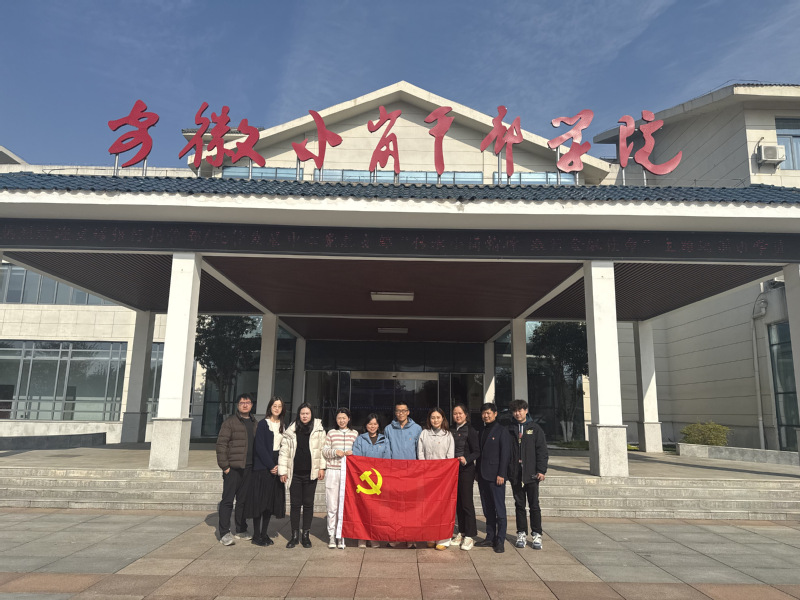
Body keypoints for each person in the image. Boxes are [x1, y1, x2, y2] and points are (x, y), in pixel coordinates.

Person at [279, 403, 326, 549]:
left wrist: (322, 468)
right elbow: (284, 451)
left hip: (310, 473)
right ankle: (294, 536)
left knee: (308, 504)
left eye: (307, 413)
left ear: (311, 414)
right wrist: (283, 471)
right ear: (298, 415)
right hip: (295, 473)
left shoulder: (318, 429)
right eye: (302, 413)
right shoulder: (291, 430)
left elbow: (322, 450)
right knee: (295, 505)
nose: (305, 416)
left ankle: (305, 535)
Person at [215, 393, 257, 546]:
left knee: (243, 501)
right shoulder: (230, 422)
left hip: (249, 468)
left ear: (252, 405)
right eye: (242, 403)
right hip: (233, 469)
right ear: (238, 405)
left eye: (248, 402)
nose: (245, 405)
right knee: (227, 501)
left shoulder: (255, 423)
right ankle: (224, 533)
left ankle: (241, 529)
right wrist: (225, 466)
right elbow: (221, 445)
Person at [507, 399, 548, 550]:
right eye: (515, 411)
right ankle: (521, 533)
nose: (517, 413)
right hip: (516, 474)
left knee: (534, 505)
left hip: (531, 474)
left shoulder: (535, 429)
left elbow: (542, 451)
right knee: (519, 505)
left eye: (520, 410)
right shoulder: (509, 429)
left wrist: (541, 470)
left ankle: (537, 534)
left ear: (526, 411)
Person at [475, 402, 512, 553]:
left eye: (489, 413)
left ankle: (500, 540)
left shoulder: (502, 431)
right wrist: (477, 473)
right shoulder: (481, 430)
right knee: (487, 508)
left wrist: (502, 474)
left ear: (495, 414)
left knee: (499, 509)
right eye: (484, 413)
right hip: (483, 476)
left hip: (496, 477)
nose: (486, 415)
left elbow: (505, 454)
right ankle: (490, 537)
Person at [250, 396, 287, 546]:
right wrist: (271, 465)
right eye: (274, 406)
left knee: (269, 504)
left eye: (279, 406)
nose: (277, 408)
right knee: (260, 502)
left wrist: (280, 466)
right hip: (263, 467)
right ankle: (256, 535)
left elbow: (284, 447)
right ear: (270, 407)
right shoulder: (263, 424)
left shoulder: (283, 425)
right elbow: (259, 447)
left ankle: (264, 533)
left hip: (277, 464)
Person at [417, 407, 455, 550]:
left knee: (442, 507)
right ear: (429, 419)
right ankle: (430, 536)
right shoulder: (424, 434)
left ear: (443, 419)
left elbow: (450, 457)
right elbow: (420, 454)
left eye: (438, 417)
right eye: (433, 417)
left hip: (443, 477)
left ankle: (443, 539)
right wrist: (425, 470)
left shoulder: (448, 435)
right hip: (427, 476)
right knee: (429, 508)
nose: (435, 420)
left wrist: (444, 472)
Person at [322, 407, 359, 550]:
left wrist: (352, 452)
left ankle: (341, 535)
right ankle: (331, 535)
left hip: (348, 473)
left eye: (344, 418)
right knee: (332, 506)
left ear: (349, 419)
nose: (341, 420)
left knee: (344, 505)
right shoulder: (331, 433)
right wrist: (334, 452)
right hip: (333, 471)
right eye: (339, 418)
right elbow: (324, 451)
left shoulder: (354, 434)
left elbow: (359, 452)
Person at [351, 413, 389, 548]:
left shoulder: (384, 440)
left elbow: (387, 459)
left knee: (375, 511)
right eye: (370, 424)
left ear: (378, 425)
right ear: (366, 425)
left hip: (378, 481)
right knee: (363, 509)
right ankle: (362, 537)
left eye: (375, 424)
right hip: (363, 480)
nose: (372, 426)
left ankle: (373, 537)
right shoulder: (360, 440)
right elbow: (356, 459)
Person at [451, 403, 480, 551]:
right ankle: (461, 532)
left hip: (466, 470)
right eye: (455, 413)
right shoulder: (451, 430)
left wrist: (466, 459)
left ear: (466, 415)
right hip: (453, 471)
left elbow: (477, 451)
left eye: (460, 413)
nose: (457, 416)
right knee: (458, 503)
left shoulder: (471, 430)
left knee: (467, 502)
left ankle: (470, 535)